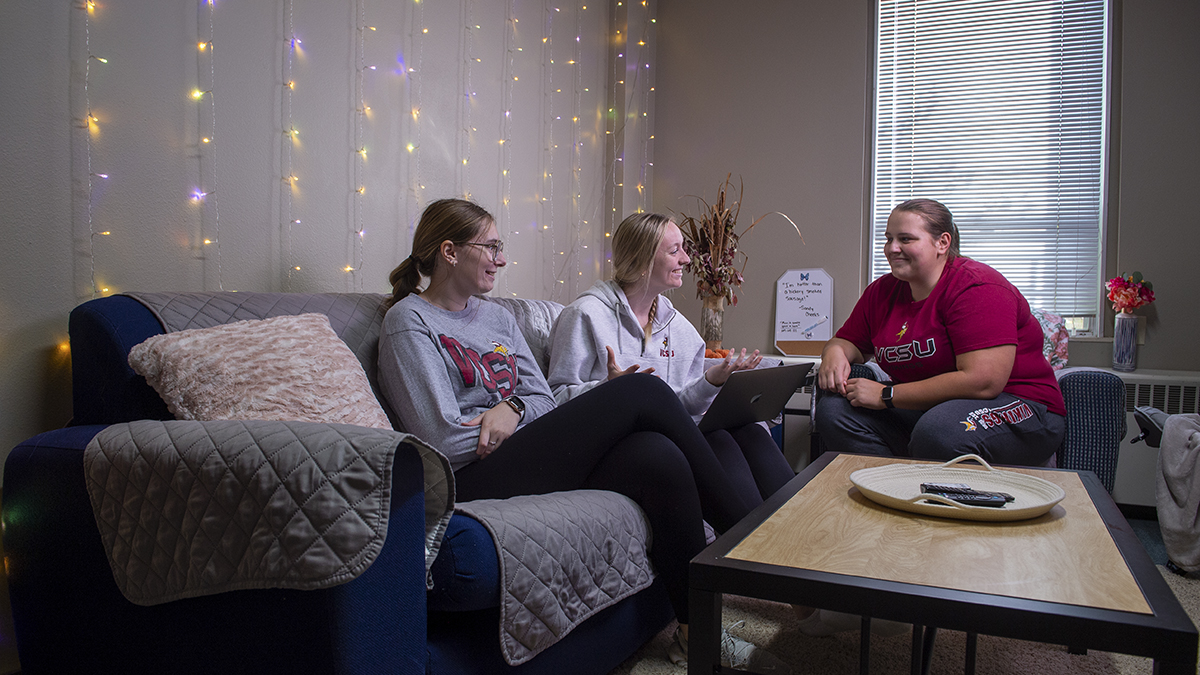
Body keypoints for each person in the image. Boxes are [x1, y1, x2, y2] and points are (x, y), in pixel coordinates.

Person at [377, 198, 791, 673]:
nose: (502, 257)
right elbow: (442, 442)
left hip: (519, 448)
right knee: (643, 390)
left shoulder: (497, 318)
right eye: (490, 246)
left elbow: (541, 400)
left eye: (500, 246)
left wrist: (511, 407)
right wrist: (518, 412)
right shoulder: (409, 322)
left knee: (656, 457)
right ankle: (757, 549)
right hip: (469, 475)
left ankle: (697, 634)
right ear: (449, 252)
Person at [547, 212, 796, 507]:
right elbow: (554, 401)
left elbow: (678, 407)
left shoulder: (679, 328)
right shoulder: (585, 315)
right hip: (618, 444)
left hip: (671, 434)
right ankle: (752, 540)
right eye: (674, 250)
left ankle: (797, 524)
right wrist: (607, 390)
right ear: (642, 260)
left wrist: (712, 380)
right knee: (717, 441)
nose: (687, 260)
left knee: (748, 431)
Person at [813, 198, 1066, 466]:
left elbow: (983, 381)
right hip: (934, 409)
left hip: (1021, 405)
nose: (892, 248)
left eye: (906, 239)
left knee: (939, 431)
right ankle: (890, 485)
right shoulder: (882, 291)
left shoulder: (977, 286)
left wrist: (886, 395)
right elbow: (848, 341)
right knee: (835, 411)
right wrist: (834, 352)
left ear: (942, 243)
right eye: (889, 239)